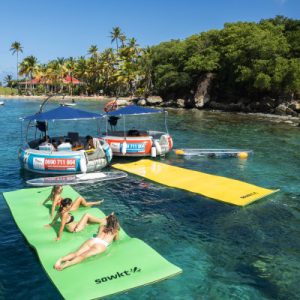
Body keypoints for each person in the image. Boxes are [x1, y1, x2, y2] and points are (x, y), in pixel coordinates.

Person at [54, 213, 119, 270]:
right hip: (101, 245)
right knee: (82, 256)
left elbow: (104, 221)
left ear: (107, 221)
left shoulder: (101, 226)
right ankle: (67, 264)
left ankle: (60, 260)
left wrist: (108, 217)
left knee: (76, 253)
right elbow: (116, 240)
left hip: (93, 240)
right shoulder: (115, 231)